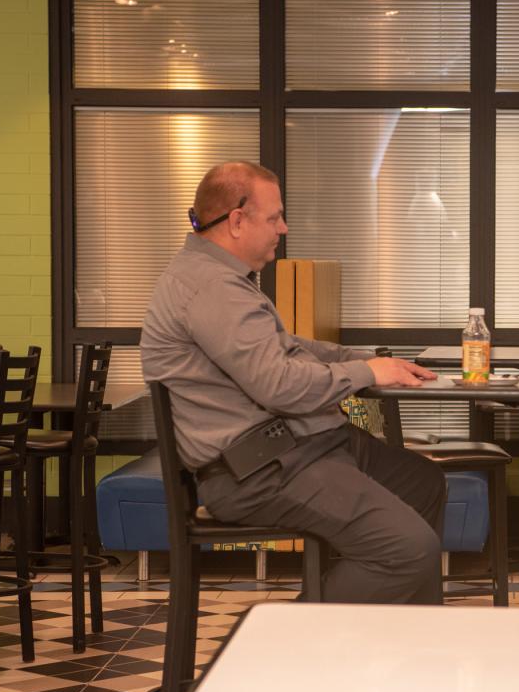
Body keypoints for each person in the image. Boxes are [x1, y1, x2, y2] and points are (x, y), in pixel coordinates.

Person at [141, 161, 447, 605]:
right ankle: (283, 647)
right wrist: (365, 374)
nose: (282, 228)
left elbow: (285, 348)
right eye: (274, 217)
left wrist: (365, 360)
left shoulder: (223, 280)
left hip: (297, 448)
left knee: (422, 482)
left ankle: (393, 640)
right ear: (237, 221)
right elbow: (279, 384)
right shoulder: (212, 288)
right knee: (409, 549)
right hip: (261, 470)